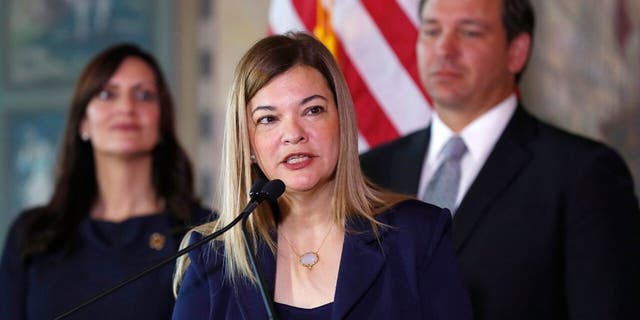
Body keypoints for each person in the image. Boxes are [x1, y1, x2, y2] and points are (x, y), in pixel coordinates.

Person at [360, 0, 640, 319]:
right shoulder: (369, 172)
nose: (444, 48)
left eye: (470, 32)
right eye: (432, 30)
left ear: (516, 52)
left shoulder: (583, 174)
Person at [171, 32, 472, 320]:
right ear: (247, 144)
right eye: (268, 119)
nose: (293, 134)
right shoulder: (210, 259)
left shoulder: (417, 235)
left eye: (313, 110)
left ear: (342, 122)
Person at [0, 43, 210, 319]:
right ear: (83, 123)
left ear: (162, 122)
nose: (126, 107)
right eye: (106, 94)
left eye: (144, 95)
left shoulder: (205, 235)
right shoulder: (32, 234)